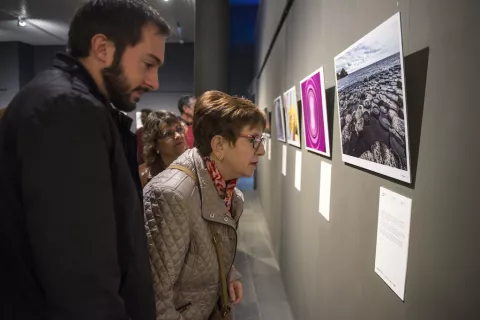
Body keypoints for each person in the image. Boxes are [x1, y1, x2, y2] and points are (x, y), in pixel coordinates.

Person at [0, 0, 170, 319]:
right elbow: (80, 274)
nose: (154, 82)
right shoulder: (66, 110)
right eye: (148, 64)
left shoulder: (68, 103)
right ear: (102, 48)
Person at [144, 90, 266, 319]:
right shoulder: (172, 195)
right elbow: (156, 300)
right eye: (253, 140)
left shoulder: (229, 192)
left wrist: (228, 273)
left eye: (262, 139)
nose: (261, 150)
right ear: (219, 145)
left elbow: (207, 246)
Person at [139, 110, 187, 188]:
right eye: (168, 134)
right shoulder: (141, 176)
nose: (178, 135)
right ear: (154, 144)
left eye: (179, 129)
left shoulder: (197, 166)